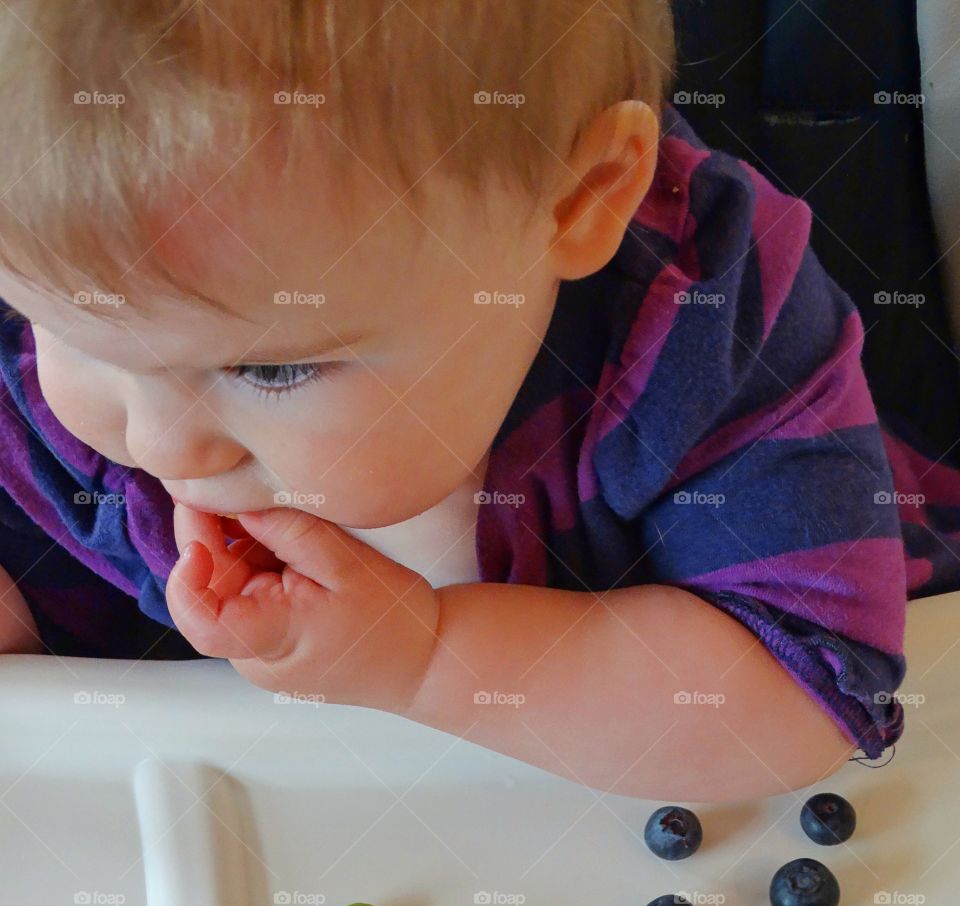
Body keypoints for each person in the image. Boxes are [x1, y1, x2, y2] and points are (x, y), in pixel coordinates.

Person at [0, 2, 912, 800]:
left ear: (579, 201)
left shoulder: (709, 323)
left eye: (268, 371)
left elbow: (802, 700)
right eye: (74, 334)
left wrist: (425, 658)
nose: (160, 445)